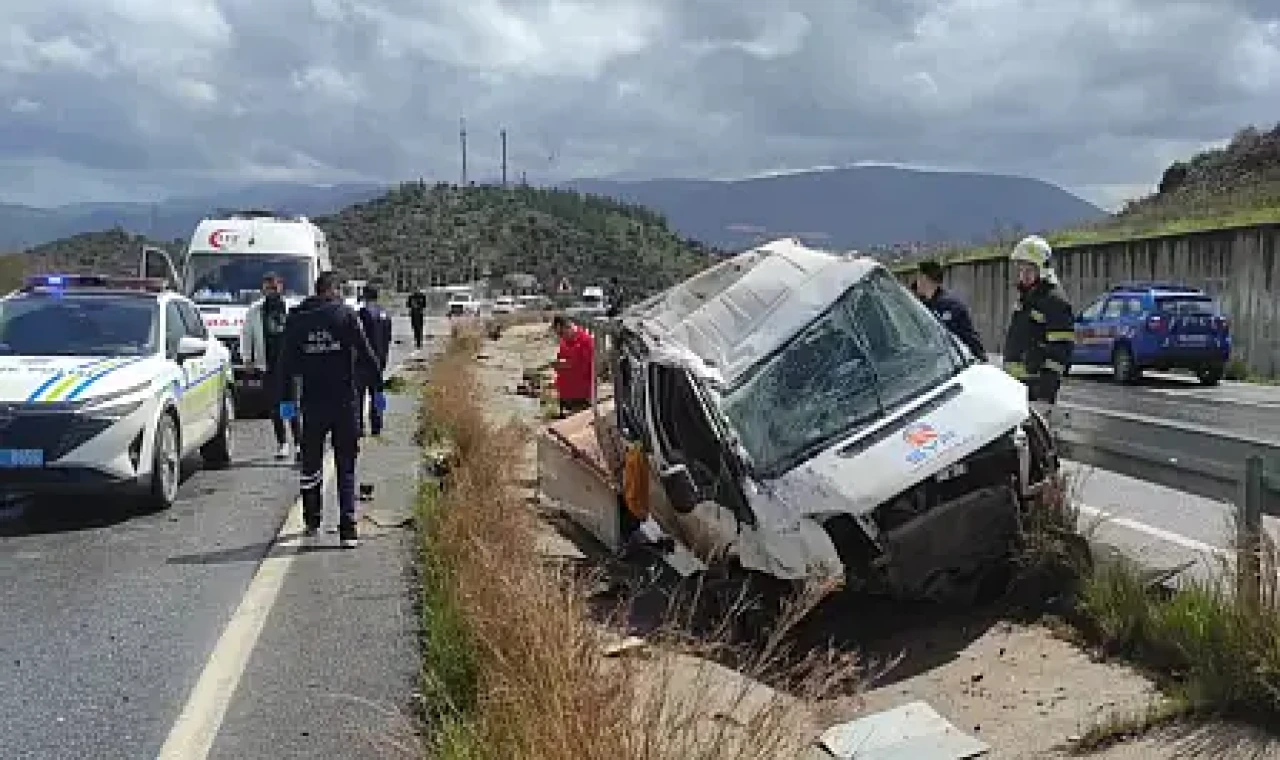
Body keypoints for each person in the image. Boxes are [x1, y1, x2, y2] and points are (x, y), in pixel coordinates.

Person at [277, 272, 385, 548]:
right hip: (344, 402)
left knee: (310, 463)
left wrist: (286, 407)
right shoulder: (345, 315)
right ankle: (348, 529)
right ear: (334, 290)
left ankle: (312, 519)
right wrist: (378, 392)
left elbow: (285, 366)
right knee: (346, 464)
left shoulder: (297, 319)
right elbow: (367, 354)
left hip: (312, 403)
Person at [1002, 235, 1075, 426]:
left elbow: (1060, 351)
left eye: (1029, 269)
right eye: (1021, 269)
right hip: (1017, 386)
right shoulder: (1027, 298)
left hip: (1037, 388)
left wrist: (1045, 393)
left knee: (1035, 439)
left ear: (1043, 269)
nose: (1024, 275)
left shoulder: (1054, 301)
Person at [239, 272, 302, 460]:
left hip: (290, 365)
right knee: (275, 407)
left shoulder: (291, 308)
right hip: (267, 365)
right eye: (268, 288)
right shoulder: (255, 310)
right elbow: (247, 334)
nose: (272, 291)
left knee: (291, 405)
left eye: (274, 287)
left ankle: (298, 443)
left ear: (281, 287)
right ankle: (282, 443)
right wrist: (247, 358)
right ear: (263, 289)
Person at [913, 259, 986, 361]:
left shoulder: (952, 306)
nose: (916, 282)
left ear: (924, 278)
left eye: (918, 278)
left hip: (954, 363)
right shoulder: (921, 306)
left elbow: (969, 338)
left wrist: (982, 360)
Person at [356, 284, 393, 437]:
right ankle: (378, 424)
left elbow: (357, 337)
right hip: (380, 359)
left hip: (363, 360)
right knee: (378, 393)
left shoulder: (362, 313)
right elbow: (388, 338)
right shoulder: (385, 313)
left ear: (365, 295)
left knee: (359, 395)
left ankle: (359, 425)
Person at [547, 314, 595, 418]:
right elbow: (560, 358)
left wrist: (566, 365)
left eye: (561, 333)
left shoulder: (586, 341)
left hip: (580, 395)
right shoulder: (564, 341)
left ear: (568, 326)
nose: (560, 336)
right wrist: (557, 365)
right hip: (565, 394)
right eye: (558, 334)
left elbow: (587, 368)